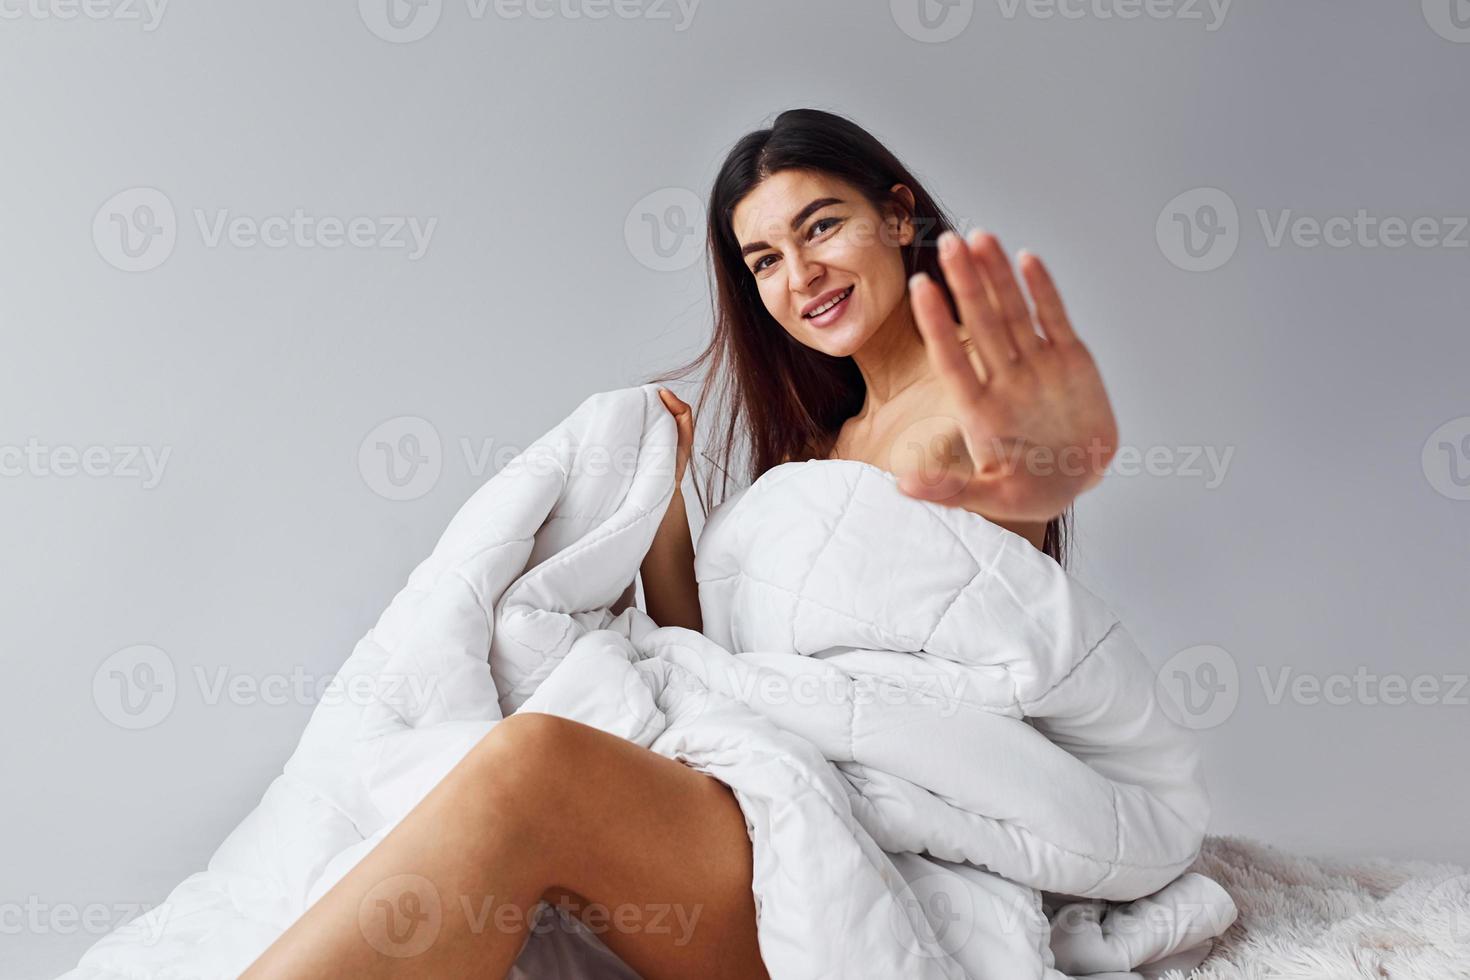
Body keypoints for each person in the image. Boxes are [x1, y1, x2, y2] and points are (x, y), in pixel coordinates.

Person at [240, 107, 1118, 980]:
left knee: (532, 763)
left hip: (880, 856)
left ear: (896, 216)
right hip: (763, 807)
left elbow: (1021, 502)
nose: (802, 275)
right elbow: (721, 663)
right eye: (766, 261)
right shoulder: (824, 446)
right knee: (481, 767)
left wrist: (1047, 460)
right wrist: (662, 512)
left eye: (822, 226)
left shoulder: (979, 396)